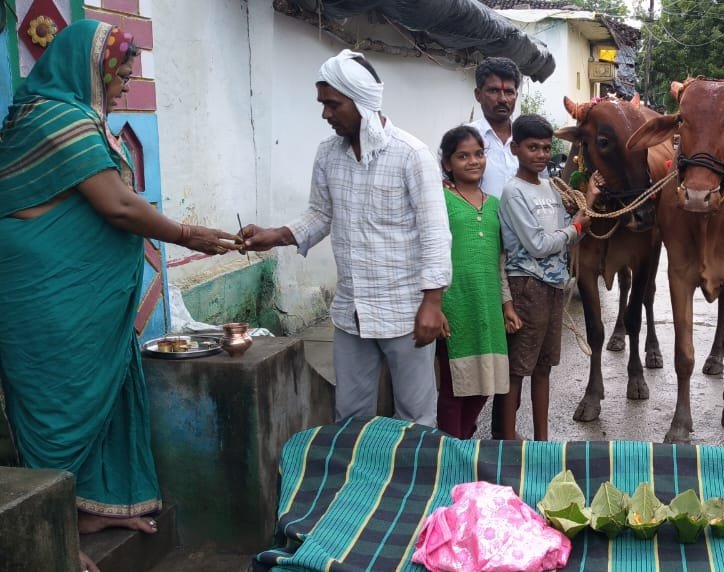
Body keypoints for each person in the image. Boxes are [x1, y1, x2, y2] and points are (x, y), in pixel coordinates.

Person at [0, 20, 240, 572]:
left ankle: (89, 509)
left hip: (84, 297)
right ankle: (54, 532)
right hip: (48, 295)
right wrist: (188, 234)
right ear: (90, 67)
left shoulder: (77, 119)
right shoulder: (57, 118)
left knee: (100, 391)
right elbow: (118, 206)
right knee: (60, 399)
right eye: (120, 73)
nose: (125, 84)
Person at [241, 50, 451, 427]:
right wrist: (274, 235)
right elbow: (320, 214)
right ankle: (362, 485)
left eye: (333, 105)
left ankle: (416, 484)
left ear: (363, 103)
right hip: (352, 311)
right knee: (350, 414)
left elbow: (436, 234)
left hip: (405, 311)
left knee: (415, 416)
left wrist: (432, 303)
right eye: (323, 104)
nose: (325, 115)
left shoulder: (411, 155)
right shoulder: (328, 154)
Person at [497, 114, 599, 440]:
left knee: (544, 368)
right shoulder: (513, 192)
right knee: (518, 369)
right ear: (515, 149)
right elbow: (540, 245)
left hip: (553, 287)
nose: (540, 155)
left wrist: (590, 201)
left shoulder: (551, 187)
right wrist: (577, 226)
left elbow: (571, 233)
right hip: (527, 286)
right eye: (532, 148)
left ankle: (542, 441)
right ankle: (509, 441)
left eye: (544, 148)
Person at [435, 125, 523, 438]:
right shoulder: (442, 202)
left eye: (478, 154)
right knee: (453, 384)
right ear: (447, 163)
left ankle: (464, 435)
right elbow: (432, 255)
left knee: (484, 384)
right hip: (455, 304)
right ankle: (451, 446)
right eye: (462, 156)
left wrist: (507, 305)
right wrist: (435, 307)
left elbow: (500, 263)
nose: (473, 161)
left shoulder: (495, 206)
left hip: (487, 308)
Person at [469, 57, 522, 198]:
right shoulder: (462, 140)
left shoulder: (527, 139)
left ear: (516, 95)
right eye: (493, 91)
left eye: (509, 92)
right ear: (478, 95)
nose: (503, 99)